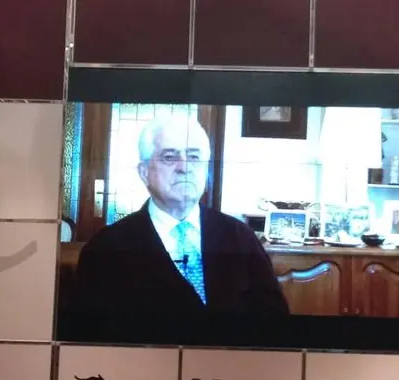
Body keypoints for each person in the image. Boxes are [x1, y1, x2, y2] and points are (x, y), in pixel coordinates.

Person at [71, 114, 289, 337]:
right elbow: (92, 337)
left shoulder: (241, 238)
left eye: (194, 157)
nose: (184, 167)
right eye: (169, 157)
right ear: (144, 172)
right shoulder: (105, 248)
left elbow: (275, 325)